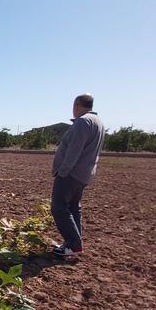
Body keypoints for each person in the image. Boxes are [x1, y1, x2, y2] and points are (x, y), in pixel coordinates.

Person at [50, 94, 105, 257]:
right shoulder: (98, 122)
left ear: (77, 105)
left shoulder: (83, 122)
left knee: (59, 207)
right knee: (74, 207)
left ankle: (73, 244)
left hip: (71, 173)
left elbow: (74, 150)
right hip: (84, 174)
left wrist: (63, 171)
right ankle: (74, 243)